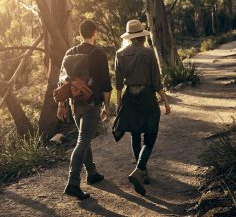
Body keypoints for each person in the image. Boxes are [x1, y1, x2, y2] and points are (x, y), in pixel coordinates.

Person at [114, 19, 171, 196]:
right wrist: (165, 100)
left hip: (129, 97)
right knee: (151, 134)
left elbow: (117, 83)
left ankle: (142, 173)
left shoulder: (120, 54)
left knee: (135, 134)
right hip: (147, 96)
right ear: (142, 36)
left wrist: (119, 104)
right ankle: (139, 170)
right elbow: (156, 81)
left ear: (129, 37)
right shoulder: (148, 53)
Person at [57, 20, 112, 200]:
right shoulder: (98, 54)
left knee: (85, 138)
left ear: (80, 34)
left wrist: (61, 105)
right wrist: (107, 107)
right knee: (82, 141)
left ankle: (92, 173)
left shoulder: (69, 52)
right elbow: (105, 84)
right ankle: (73, 183)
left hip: (75, 105)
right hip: (91, 104)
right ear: (94, 33)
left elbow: (63, 82)